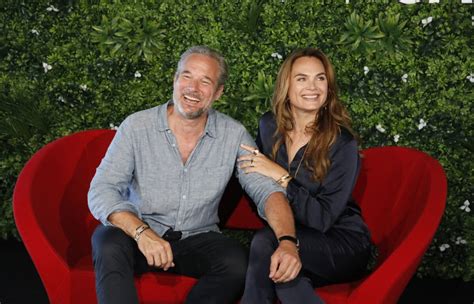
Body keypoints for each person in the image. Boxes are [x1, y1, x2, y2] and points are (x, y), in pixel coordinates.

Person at [88, 45, 296, 304]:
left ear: (218, 92)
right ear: (175, 80)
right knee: (107, 240)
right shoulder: (137, 126)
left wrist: (287, 240)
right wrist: (142, 233)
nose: (193, 88)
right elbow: (102, 188)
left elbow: (266, 191)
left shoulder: (233, 135)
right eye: (187, 76)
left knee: (237, 262)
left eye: (205, 81)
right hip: (140, 235)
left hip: (197, 239)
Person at [238, 48, 373, 304]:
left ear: (329, 87)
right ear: (286, 86)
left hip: (341, 243)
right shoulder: (269, 126)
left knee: (267, 243)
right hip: (291, 236)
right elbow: (254, 183)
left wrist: (281, 177)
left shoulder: (343, 144)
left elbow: (322, 219)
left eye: (320, 78)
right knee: (285, 273)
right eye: (302, 78)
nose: (313, 87)